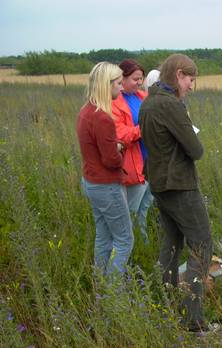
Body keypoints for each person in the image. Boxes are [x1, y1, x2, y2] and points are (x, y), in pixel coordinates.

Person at [139, 54, 213, 332]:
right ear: (179, 74)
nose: (192, 86)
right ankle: (192, 321)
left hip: (159, 184)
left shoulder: (149, 101)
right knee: (202, 245)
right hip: (180, 185)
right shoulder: (171, 104)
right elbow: (196, 150)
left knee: (171, 244)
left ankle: (166, 304)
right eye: (191, 79)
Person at [77, 62, 134, 275]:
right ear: (105, 85)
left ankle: (100, 284)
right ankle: (113, 292)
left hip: (91, 182)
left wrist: (113, 145)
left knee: (104, 236)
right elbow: (111, 161)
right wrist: (120, 146)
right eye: (118, 83)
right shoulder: (102, 117)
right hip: (107, 185)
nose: (121, 88)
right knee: (125, 240)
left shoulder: (86, 111)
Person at [112, 59, 154, 244]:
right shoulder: (114, 102)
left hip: (150, 162)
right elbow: (120, 134)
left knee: (145, 207)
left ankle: (143, 244)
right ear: (123, 78)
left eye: (141, 79)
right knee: (132, 211)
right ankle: (130, 247)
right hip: (133, 165)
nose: (139, 82)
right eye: (135, 79)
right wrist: (145, 128)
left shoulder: (142, 97)